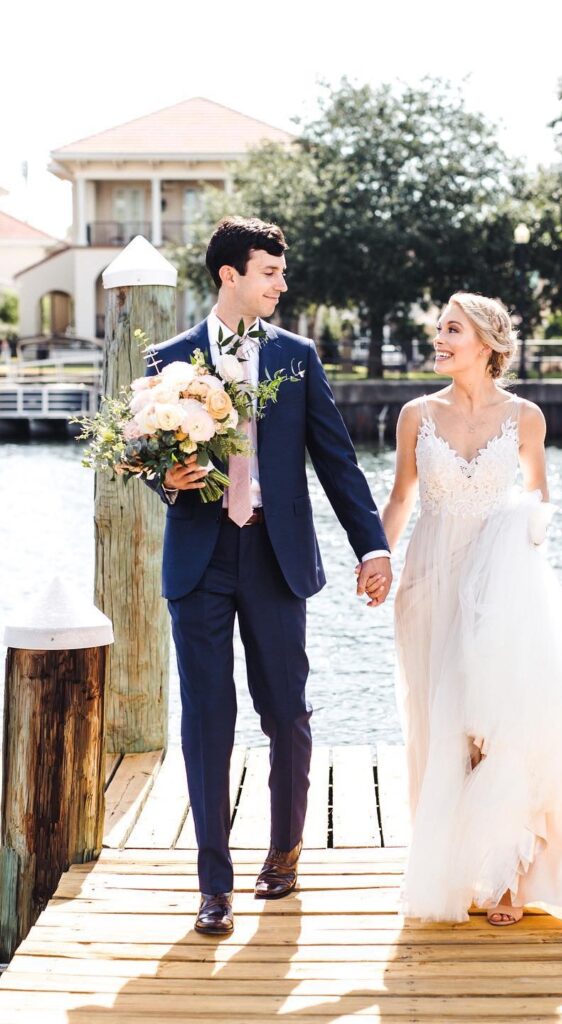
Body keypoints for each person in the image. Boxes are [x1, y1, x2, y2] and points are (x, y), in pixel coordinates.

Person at [144, 216, 392, 936]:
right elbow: (146, 460)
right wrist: (169, 476)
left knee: (286, 711)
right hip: (200, 558)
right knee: (207, 721)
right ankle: (213, 886)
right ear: (231, 275)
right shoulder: (170, 360)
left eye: (282, 273)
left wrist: (371, 547)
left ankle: (284, 852)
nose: (282, 284)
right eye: (270, 272)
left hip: (278, 556)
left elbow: (337, 461)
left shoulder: (297, 355)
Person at [367, 292, 562, 925]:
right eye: (439, 329)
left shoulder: (526, 417)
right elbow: (401, 500)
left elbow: (540, 502)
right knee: (438, 725)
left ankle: (505, 878)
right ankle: (447, 868)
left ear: (485, 342)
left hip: (499, 585)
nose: (439, 339)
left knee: (495, 728)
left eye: (451, 329)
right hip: (428, 580)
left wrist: (522, 556)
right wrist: (377, 557)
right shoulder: (416, 415)